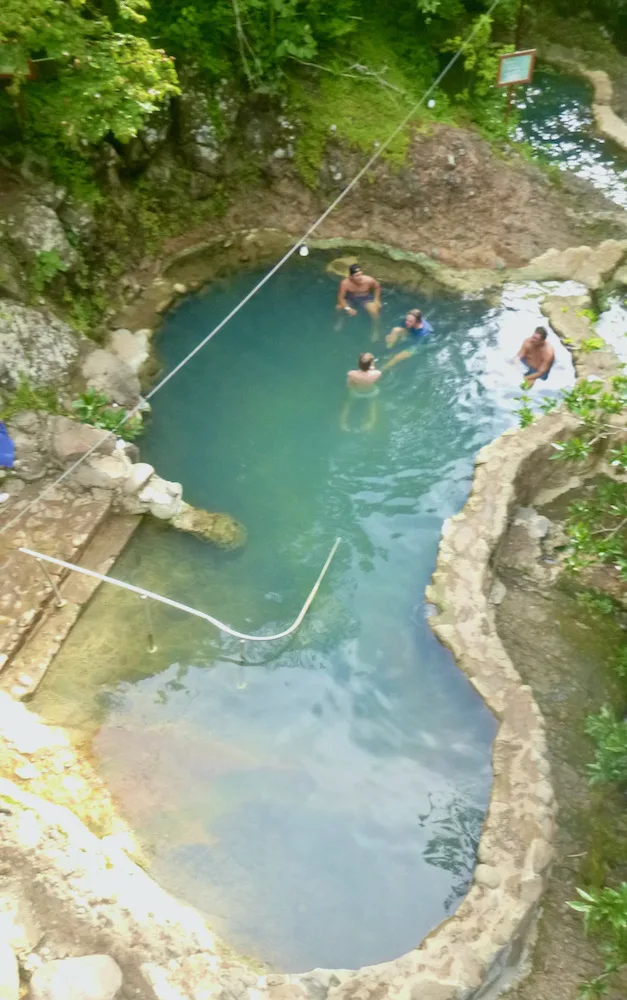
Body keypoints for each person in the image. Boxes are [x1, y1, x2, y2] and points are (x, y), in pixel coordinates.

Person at [340, 352, 382, 432]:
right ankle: (371, 423)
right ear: (371, 364)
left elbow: (349, 385)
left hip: (357, 393)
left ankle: (343, 424)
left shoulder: (352, 374)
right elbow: (375, 377)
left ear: (359, 363)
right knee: (372, 405)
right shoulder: (377, 373)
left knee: (348, 404)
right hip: (371, 392)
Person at [336, 264, 382, 333]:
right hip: (351, 298)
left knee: (374, 311)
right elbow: (341, 298)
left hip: (365, 298)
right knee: (338, 307)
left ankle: (375, 329)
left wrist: (377, 300)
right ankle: (341, 320)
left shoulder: (369, 280)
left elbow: (377, 287)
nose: (360, 277)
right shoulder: (345, 283)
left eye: (361, 274)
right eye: (357, 276)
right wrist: (348, 308)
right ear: (351, 277)